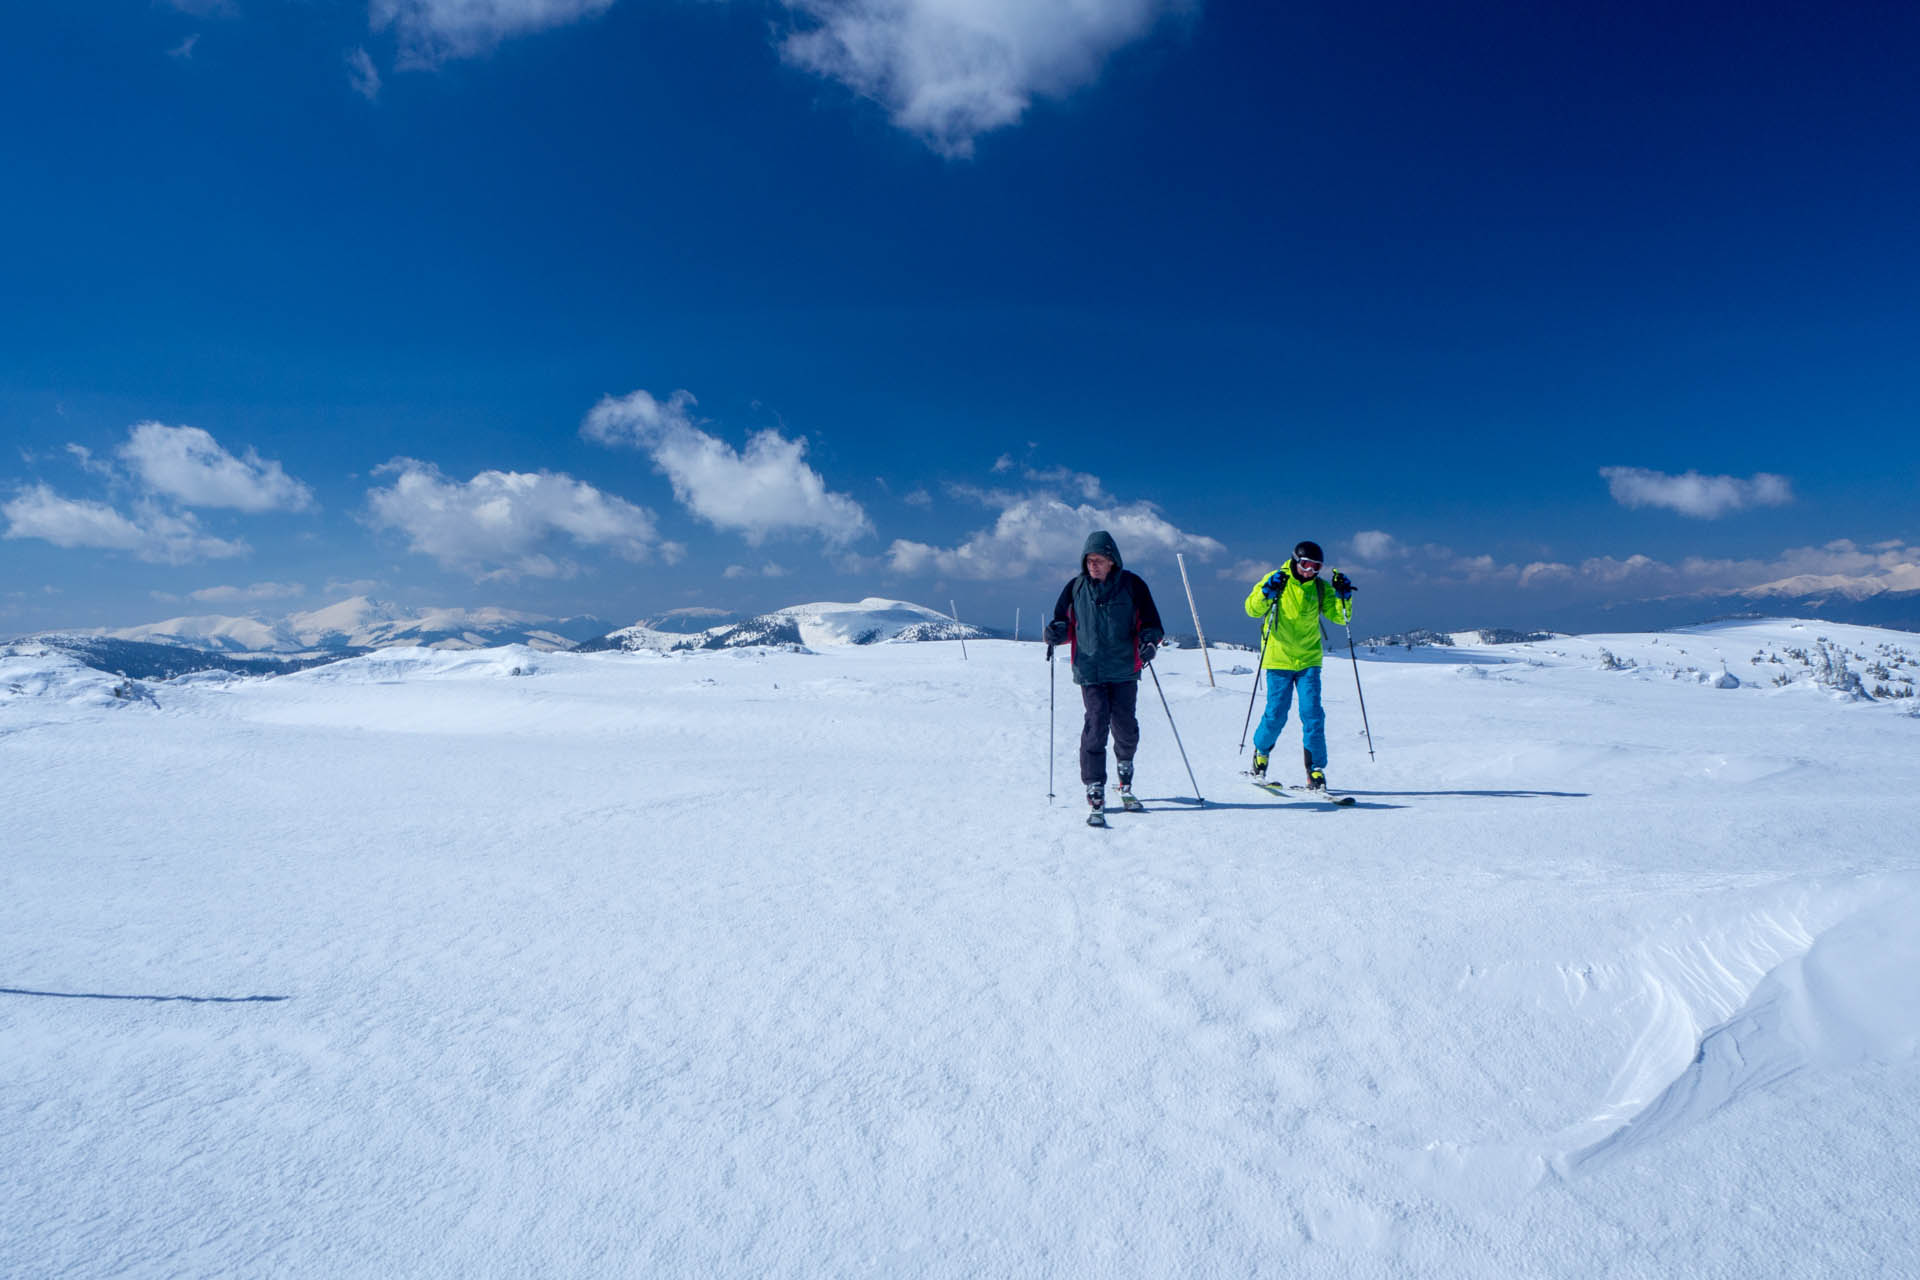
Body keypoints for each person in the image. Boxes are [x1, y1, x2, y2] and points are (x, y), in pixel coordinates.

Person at [1044, 531, 1165, 825]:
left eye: (1098, 560)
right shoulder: (1075, 588)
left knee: (1125, 727)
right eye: (1088, 560)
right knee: (1096, 724)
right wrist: (1055, 633)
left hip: (1124, 668)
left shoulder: (1133, 586)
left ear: (1112, 560)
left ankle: (1125, 769)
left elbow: (1152, 623)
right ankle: (1094, 784)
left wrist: (1149, 642)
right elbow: (1062, 621)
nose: (1092, 565)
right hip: (1090, 670)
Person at [1244, 540, 1355, 791]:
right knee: (1276, 713)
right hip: (1279, 657)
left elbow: (1340, 617)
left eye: (1316, 567)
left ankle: (1315, 770)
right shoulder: (1277, 579)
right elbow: (1251, 609)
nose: (1310, 571)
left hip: (1308, 660)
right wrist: (1266, 593)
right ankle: (1261, 753)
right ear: (1295, 560)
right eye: (1306, 565)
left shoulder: (1319, 588)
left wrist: (1343, 596)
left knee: (1313, 714)